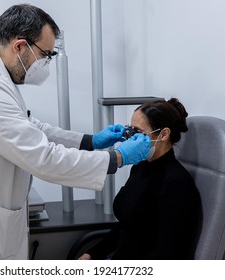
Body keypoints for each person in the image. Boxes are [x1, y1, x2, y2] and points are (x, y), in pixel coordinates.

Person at [0, 4, 151, 260]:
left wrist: (90, 141)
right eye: (46, 55)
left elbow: (30, 128)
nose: (46, 63)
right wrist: (117, 158)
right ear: (19, 46)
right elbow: (43, 158)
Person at [78, 98, 202, 260]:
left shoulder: (175, 182)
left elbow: (166, 252)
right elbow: (129, 226)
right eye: (130, 131)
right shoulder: (141, 167)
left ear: (164, 134)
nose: (131, 139)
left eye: (138, 132)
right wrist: (92, 254)